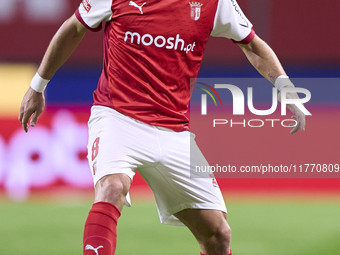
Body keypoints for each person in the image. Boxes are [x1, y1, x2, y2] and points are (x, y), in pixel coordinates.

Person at [19, 0, 306, 254]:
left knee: (218, 234)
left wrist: (286, 90)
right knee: (112, 188)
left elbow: (252, 45)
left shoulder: (215, 3)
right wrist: (38, 86)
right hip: (117, 118)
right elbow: (73, 29)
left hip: (174, 132)